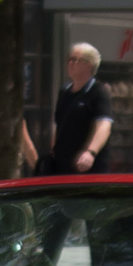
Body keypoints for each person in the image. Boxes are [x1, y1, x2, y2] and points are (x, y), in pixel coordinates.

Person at [46, 43, 114, 175]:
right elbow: (58, 122)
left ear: (89, 65)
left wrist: (90, 152)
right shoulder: (64, 92)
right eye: (69, 60)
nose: (70, 64)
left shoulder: (99, 92)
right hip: (62, 167)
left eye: (76, 60)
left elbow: (104, 125)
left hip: (88, 169)